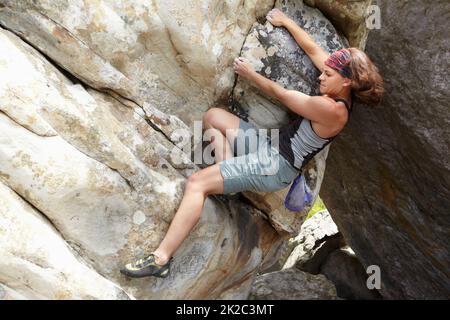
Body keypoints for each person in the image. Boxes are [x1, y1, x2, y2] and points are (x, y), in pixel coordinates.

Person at [120, 8, 384, 278]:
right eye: (324, 72)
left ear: (347, 81)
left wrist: (249, 73)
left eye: (328, 75)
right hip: (268, 147)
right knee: (214, 117)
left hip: (274, 166)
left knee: (197, 183)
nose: (321, 76)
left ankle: (160, 259)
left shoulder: (334, 111)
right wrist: (286, 22)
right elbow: (314, 50)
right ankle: (228, 178)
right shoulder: (340, 83)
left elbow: (283, 95)